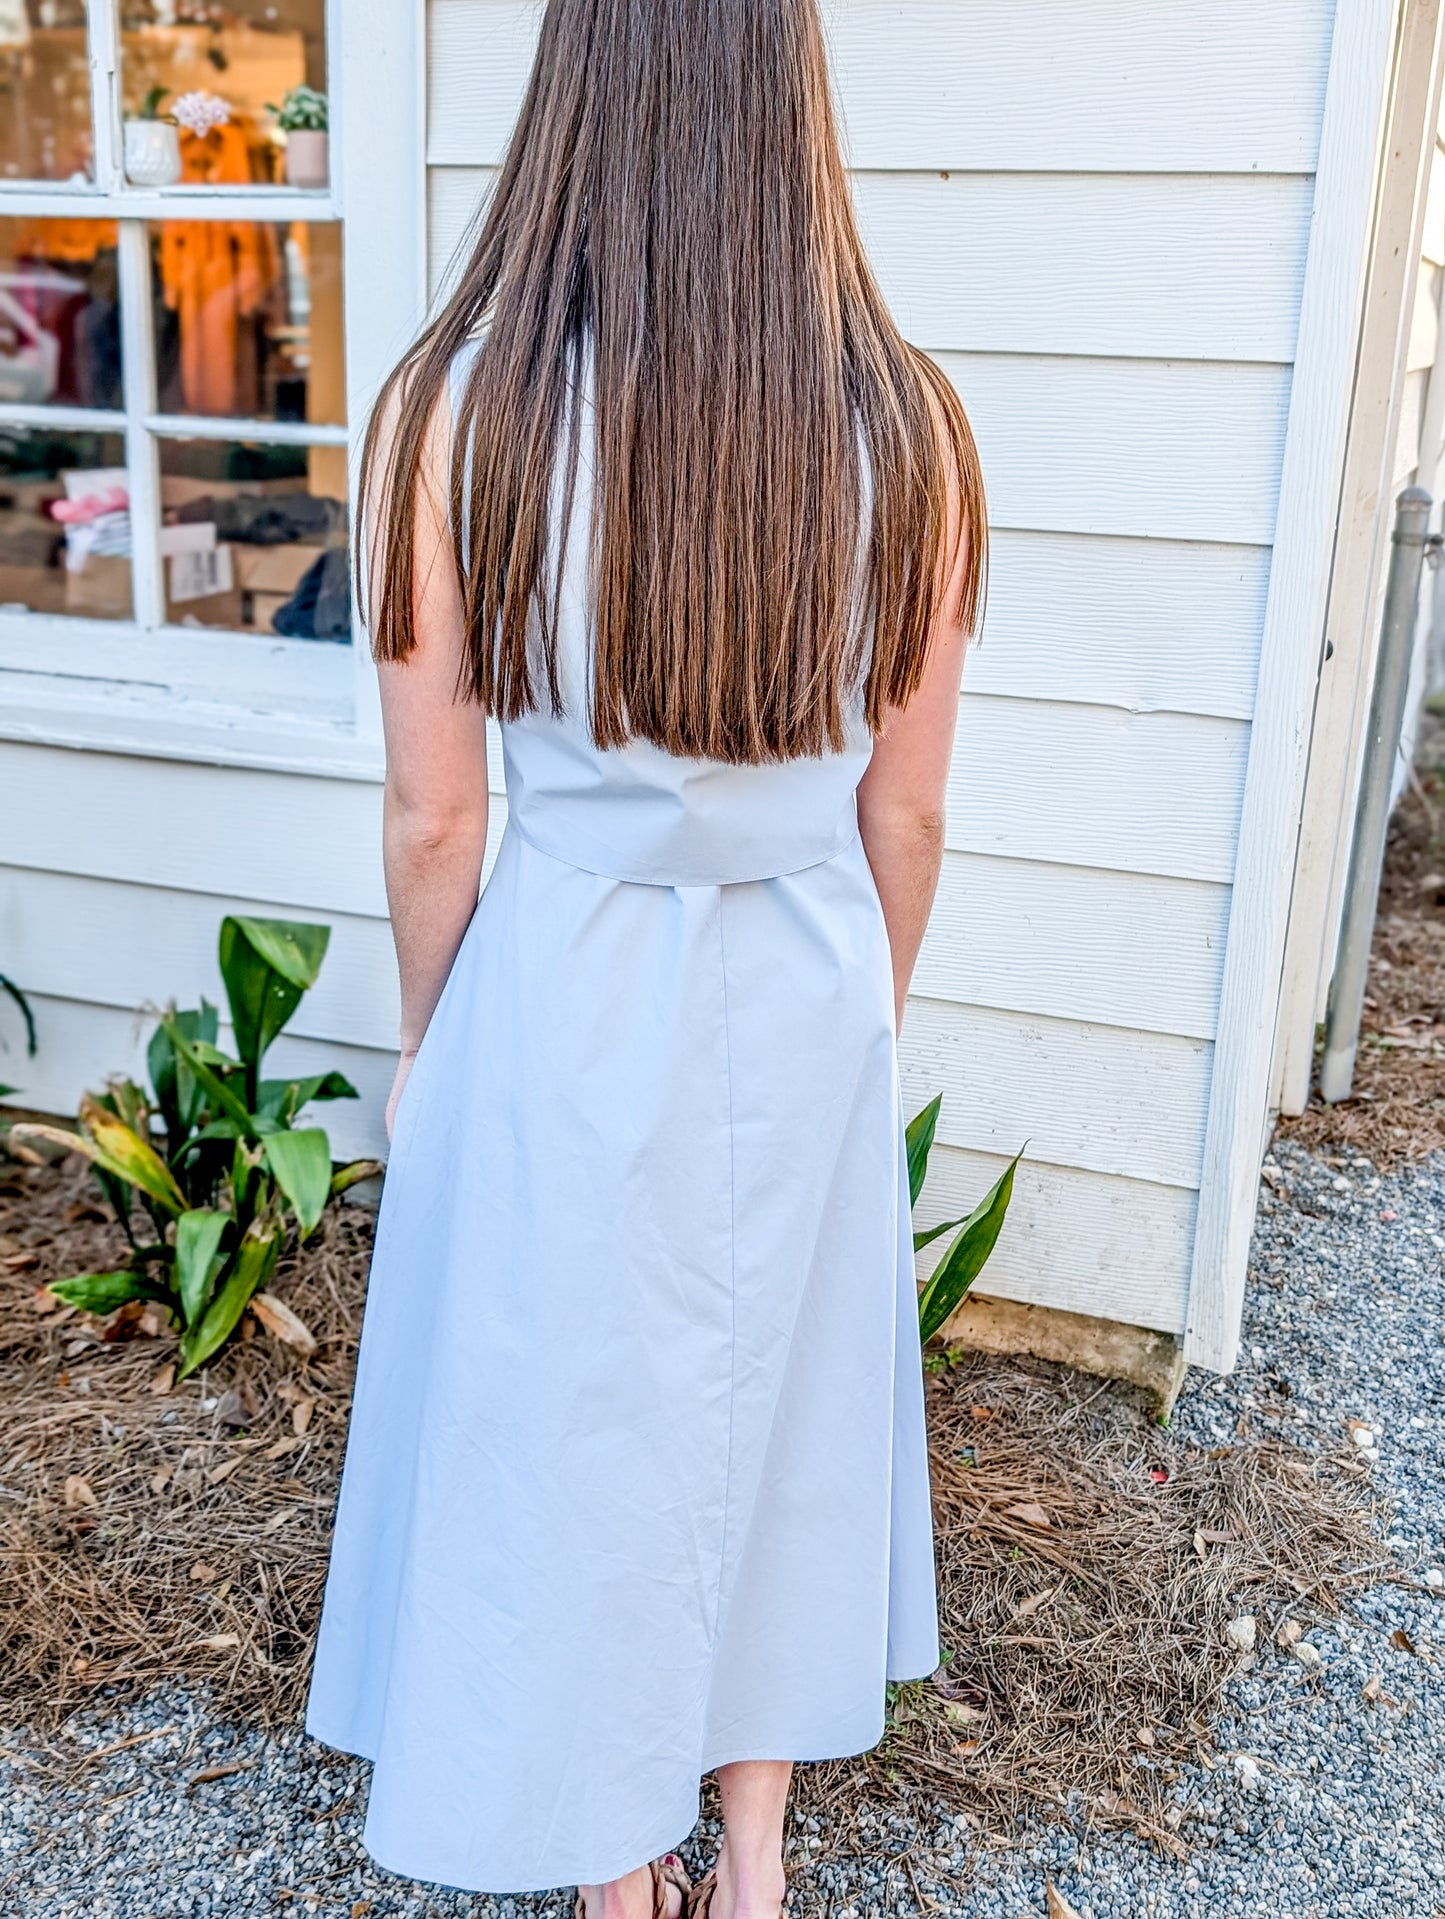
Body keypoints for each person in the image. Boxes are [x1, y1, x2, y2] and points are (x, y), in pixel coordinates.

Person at [304, 2, 986, 1914]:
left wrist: (438, 1041)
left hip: (559, 988)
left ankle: (625, 1867)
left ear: (575, 95)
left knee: (576, 1419)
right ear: (791, 104)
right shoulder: (903, 422)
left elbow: (440, 819)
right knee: (771, 1408)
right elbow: (905, 819)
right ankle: (753, 1853)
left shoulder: (458, 410)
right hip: (802, 986)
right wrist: (865, 1010)